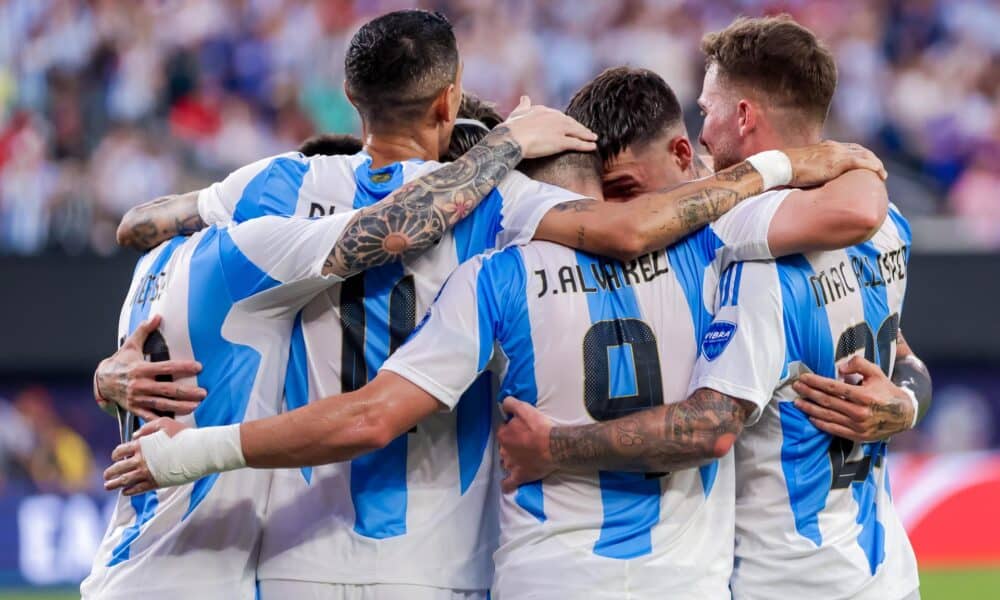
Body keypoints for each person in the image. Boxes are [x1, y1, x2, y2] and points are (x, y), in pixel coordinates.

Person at [94, 9, 881, 600]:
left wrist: (121, 365)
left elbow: (144, 224)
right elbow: (633, 229)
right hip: (450, 563)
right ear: (448, 101)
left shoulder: (271, 190)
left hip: (301, 554)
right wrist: (794, 162)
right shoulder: (504, 213)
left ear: (347, 98)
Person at [82, 89, 596, 598]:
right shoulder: (276, 253)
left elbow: (136, 226)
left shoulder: (166, 269)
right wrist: (505, 146)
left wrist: (105, 382)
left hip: (273, 561)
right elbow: (394, 226)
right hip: (427, 562)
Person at [497, 15, 930, 600]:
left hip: (789, 580)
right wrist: (904, 403)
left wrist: (556, 446)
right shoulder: (890, 228)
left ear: (745, 116)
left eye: (707, 111)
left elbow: (709, 427)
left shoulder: (751, 251)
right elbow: (906, 362)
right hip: (888, 573)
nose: (702, 134)